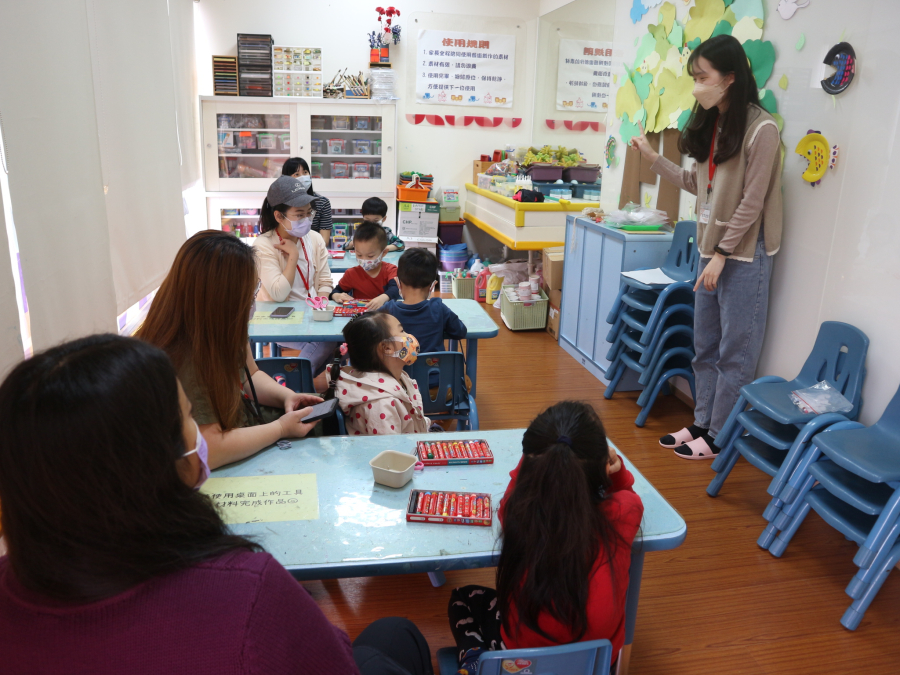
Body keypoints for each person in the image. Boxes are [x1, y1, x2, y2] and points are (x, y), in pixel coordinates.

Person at [0, 334, 434, 675]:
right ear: (153, 462)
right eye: (188, 417)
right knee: (398, 636)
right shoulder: (246, 588)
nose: (199, 435)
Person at [628, 34, 783, 460]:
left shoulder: (762, 129)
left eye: (703, 76)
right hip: (710, 251)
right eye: (694, 77)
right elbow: (699, 185)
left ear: (730, 78)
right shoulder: (714, 124)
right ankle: (701, 422)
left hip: (743, 254)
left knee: (736, 352)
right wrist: (651, 158)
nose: (697, 85)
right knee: (705, 345)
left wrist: (722, 254)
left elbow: (753, 200)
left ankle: (718, 435)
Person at [447, 402, 642, 673]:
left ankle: (473, 660)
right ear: (599, 469)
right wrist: (618, 474)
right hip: (594, 665)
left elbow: (513, 495)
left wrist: (534, 461)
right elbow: (628, 495)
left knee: (462, 598)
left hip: (523, 665)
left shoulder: (518, 515)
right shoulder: (623, 514)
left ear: (532, 469)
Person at [136, 230, 322, 469]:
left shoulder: (223, 326)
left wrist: (287, 396)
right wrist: (281, 428)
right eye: (251, 294)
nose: (254, 302)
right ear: (223, 300)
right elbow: (207, 449)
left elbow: (250, 376)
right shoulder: (185, 358)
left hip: (237, 425)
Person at [255, 175, 336, 374]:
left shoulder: (315, 239)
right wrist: (293, 255)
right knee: (328, 343)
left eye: (309, 213)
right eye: (299, 215)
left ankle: (302, 384)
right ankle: (293, 382)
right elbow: (279, 294)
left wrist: (322, 304)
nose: (306, 220)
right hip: (277, 319)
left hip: (310, 316)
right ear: (279, 217)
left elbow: (325, 281)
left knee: (341, 339)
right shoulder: (264, 245)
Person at [326, 312, 430, 436]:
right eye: (402, 331)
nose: (408, 336)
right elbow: (389, 452)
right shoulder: (382, 404)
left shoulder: (397, 377)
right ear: (386, 348)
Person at [382, 247, 467, 355]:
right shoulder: (438, 308)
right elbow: (460, 332)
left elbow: (366, 326)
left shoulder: (388, 310)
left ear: (398, 283)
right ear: (432, 286)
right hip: (435, 370)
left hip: (399, 371)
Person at [330, 223, 400, 312]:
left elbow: (396, 289)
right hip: (360, 316)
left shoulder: (390, 270)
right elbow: (336, 291)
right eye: (359, 255)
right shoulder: (352, 274)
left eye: (370, 256)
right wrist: (336, 296)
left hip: (385, 315)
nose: (364, 260)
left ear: (384, 253)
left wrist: (383, 298)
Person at [282, 157, 333, 246]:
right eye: (296, 174)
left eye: (305, 172)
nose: (303, 177)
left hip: (314, 251)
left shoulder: (322, 202)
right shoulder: (281, 203)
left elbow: (324, 241)